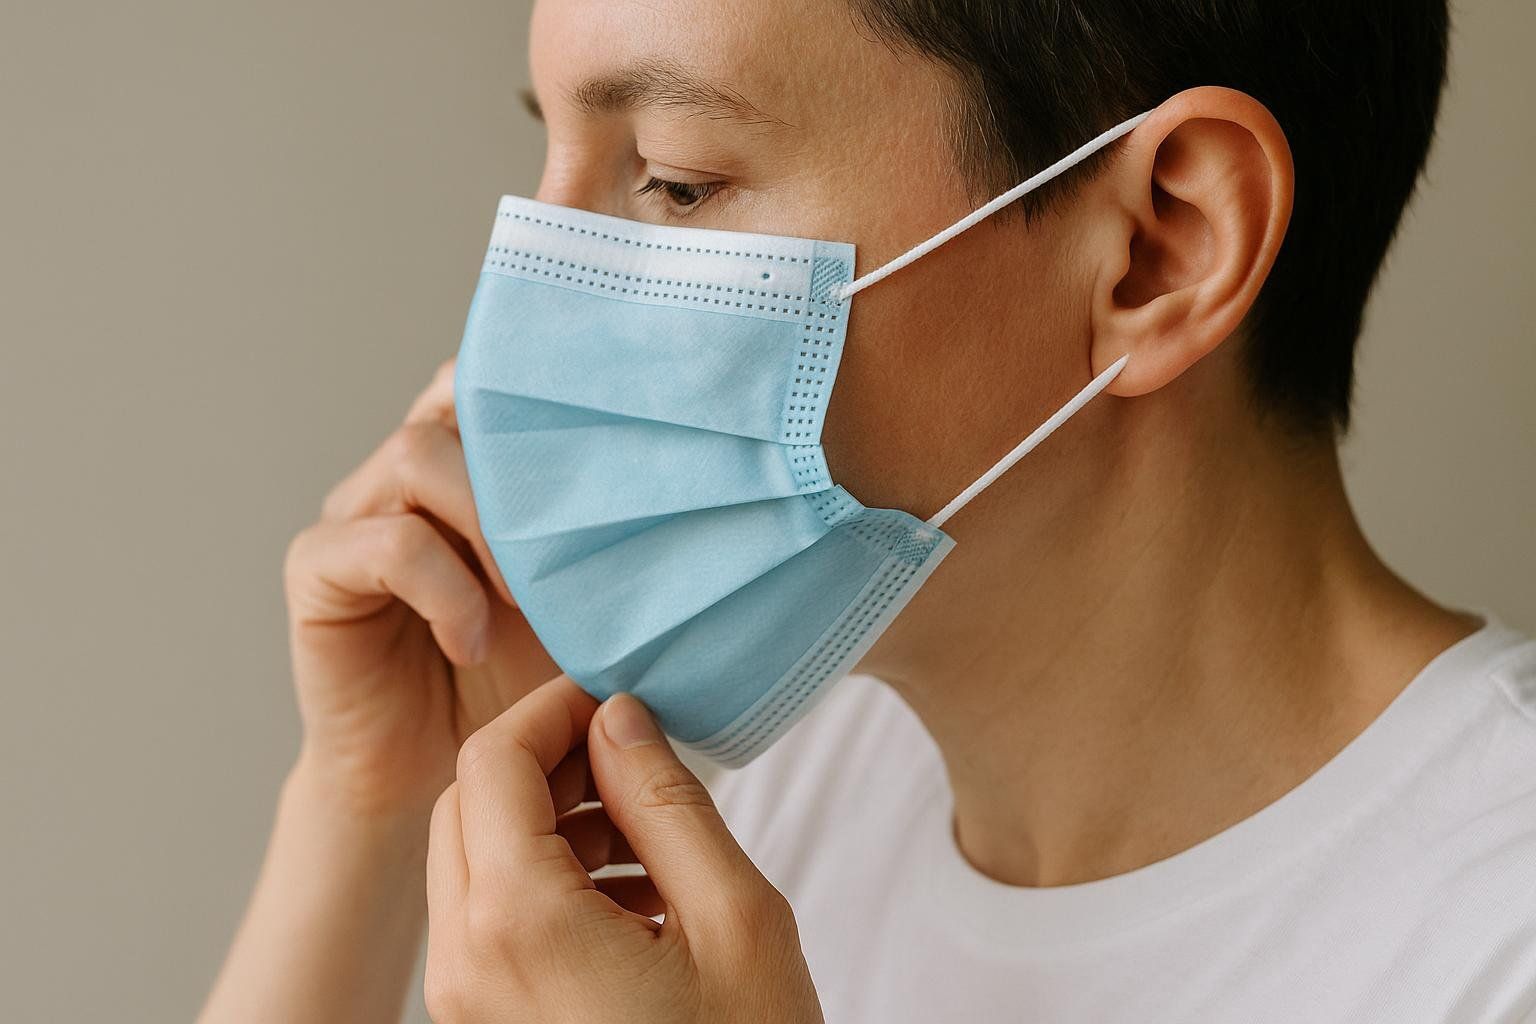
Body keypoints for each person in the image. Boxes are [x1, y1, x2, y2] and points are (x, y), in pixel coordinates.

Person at [199, 1, 1536, 1021]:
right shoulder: (769, 794)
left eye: (670, 178)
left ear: (1159, 245)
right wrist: (373, 808)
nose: (522, 315)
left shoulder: (1495, 940)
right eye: (557, 160)